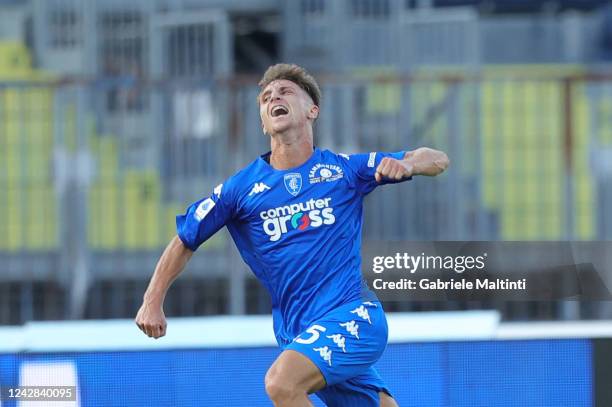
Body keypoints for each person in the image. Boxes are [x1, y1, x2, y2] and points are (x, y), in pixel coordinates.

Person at [135, 63, 449, 406]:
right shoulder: (240, 190)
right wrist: (152, 301)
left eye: (285, 92)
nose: (274, 99)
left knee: (281, 383)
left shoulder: (344, 170)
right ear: (263, 121)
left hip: (353, 316)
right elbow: (185, 239)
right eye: (266, 98)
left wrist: (409, 164)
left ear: (312, 110)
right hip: (300, 334)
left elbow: (437, 159)